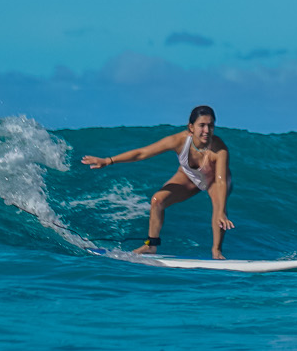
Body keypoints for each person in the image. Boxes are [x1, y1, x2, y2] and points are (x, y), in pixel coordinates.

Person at [80, 105, 234, 258]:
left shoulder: (219, 149)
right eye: (202, 125)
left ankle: (217, 251)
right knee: (157, 200)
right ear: (191, 127)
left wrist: (221, 211)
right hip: (189, 177)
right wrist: (108, 160)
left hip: (215, 180)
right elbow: (142, 153)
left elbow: (221, 181)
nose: (206, 130)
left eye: (210, 126)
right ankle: (151, 245)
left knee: (219, 208)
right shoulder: (178, 141)